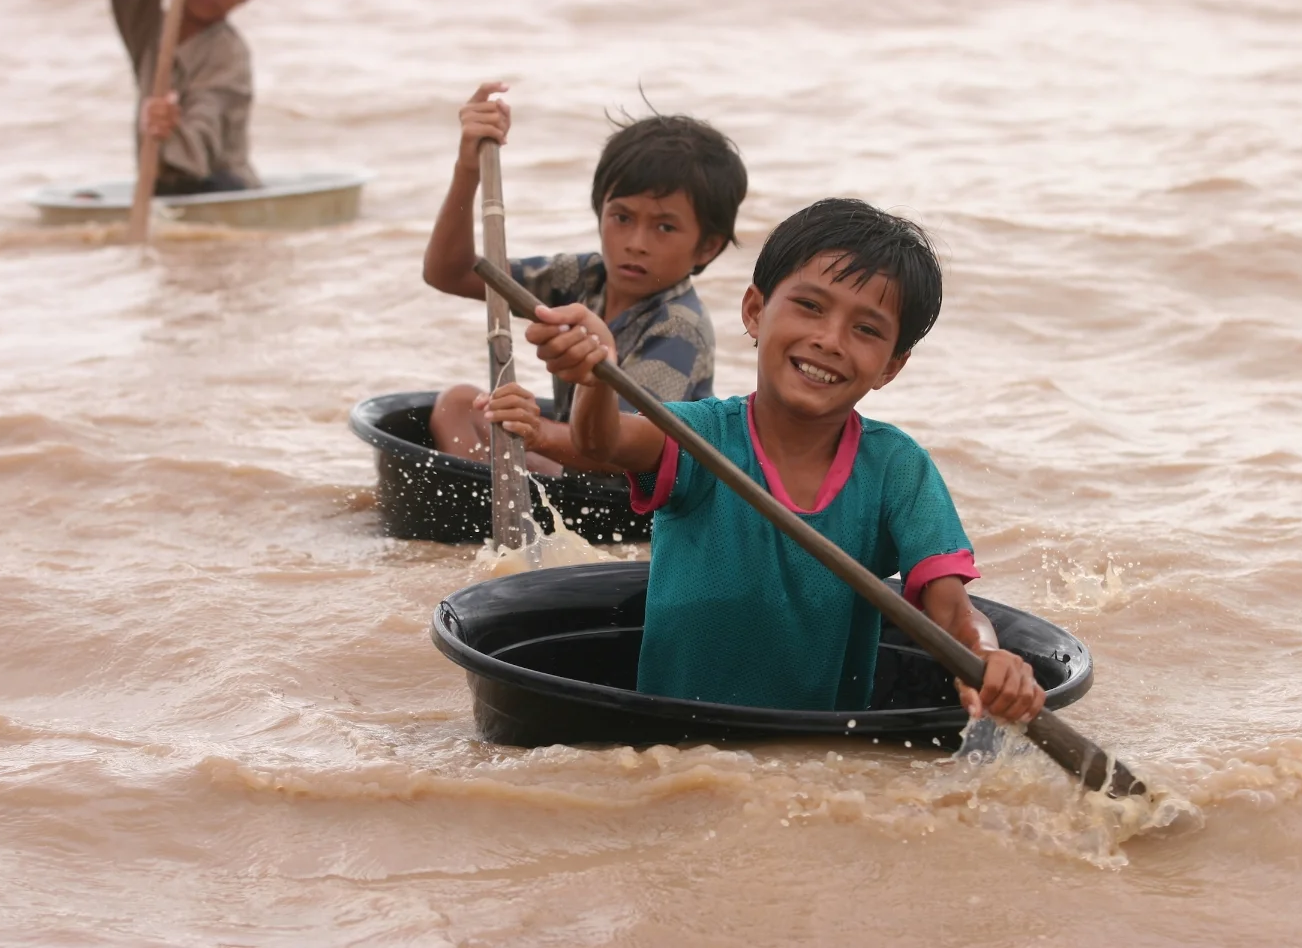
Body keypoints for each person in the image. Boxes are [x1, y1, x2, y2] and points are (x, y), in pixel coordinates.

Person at [513, 197, 1047, 720]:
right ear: (755, 310)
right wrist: (597, 378)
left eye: (866, 330)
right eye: (810, 306)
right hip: (675, 745)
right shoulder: (700, 435)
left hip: (815, 757)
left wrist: (985, 657)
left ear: (891, 366)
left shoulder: (897, 468)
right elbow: (600, 441)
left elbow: (950, 609)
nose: (829, 340)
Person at [423, 83, 748, 476]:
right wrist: (468, 170)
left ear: (707, 248)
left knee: (503, 425)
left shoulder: (678, 326)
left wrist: (535, 431)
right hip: (576, 461)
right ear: (600, 212)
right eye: (622, 218)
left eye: (664, 227)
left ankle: (484, 507)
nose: (636, 244)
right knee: (458, 404)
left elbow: (618, 448)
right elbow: (450, 273)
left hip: (626, 490)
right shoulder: (584, 277)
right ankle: (481, 504)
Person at [108, 0, 268, 196]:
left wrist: (168, 129)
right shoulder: (149, 30)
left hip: (218, 187)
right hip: (159, 186)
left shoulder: (230, 55)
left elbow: (195, 151)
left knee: (190, 183)